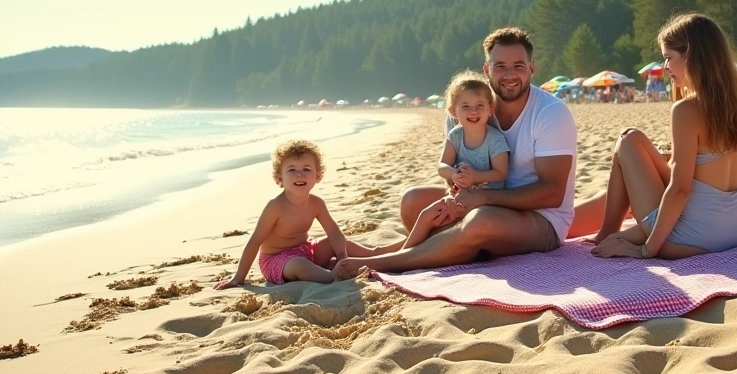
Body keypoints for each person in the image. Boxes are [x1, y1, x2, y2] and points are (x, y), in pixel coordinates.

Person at [334, 27, 577, 277]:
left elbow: (553, 194)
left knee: (482, 220)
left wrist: (483, 199)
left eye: (518, 66)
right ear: (487, 69)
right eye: (500, 66)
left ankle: (385, 262)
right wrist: (456, 188)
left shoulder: (550, 113)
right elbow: (452, 171)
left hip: (541, 220)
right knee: (412, 202)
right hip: (482, 202)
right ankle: (460, 246)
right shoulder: (469, 109)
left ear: (532, 68)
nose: (509, 75)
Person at [569, 13, 737, 260]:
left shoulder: (686, 110)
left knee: (627, 141)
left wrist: (646, 249)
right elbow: (707, 166)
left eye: (669, 58)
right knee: (633, 138)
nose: (666, 67)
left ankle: (608, 231)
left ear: (691, 56)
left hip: (695, 239)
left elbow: (680, 190)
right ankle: (610, 231)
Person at [216, 140, 374, 288]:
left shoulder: (317, 203)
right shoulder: (275, 206)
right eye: (292, 170)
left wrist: (342, 255)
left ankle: (378, 253)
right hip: (276, 261)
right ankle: (332, 276)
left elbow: (333, 232)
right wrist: (238, 277)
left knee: (338, 242)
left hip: (305, 251)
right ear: (280, 179)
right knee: (299, 264)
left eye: (306, 169)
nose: (299, 174)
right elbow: (255, 241)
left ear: (317, 176)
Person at [403, 70, 511, 249]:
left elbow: (501, 173)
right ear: (453, 111)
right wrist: (453, 174)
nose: (473, 111)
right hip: (458, 196)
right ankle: (405, 252)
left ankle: (408, 255)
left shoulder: (495, 139)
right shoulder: (455, 135)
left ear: (490, 109)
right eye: (465, 106)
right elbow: (442, 166)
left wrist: (475, 177)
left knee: (466, 225)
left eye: (479, 105)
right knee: (426, 216)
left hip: (487, 201)